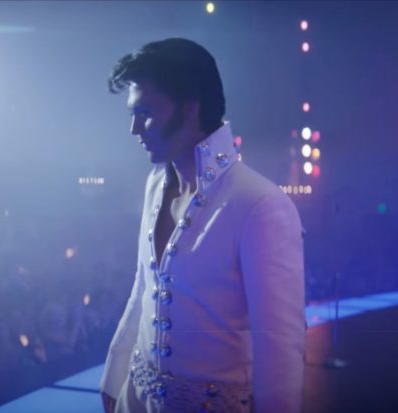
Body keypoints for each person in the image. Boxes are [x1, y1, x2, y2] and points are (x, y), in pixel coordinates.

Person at [99, 38, 305, 413]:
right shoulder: (155, 183)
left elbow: (279, 350)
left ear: (190, 107)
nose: (134, 128)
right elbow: (145, 286)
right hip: (134, 400)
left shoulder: (260, 205)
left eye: (145, 112)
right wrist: (114, 378)